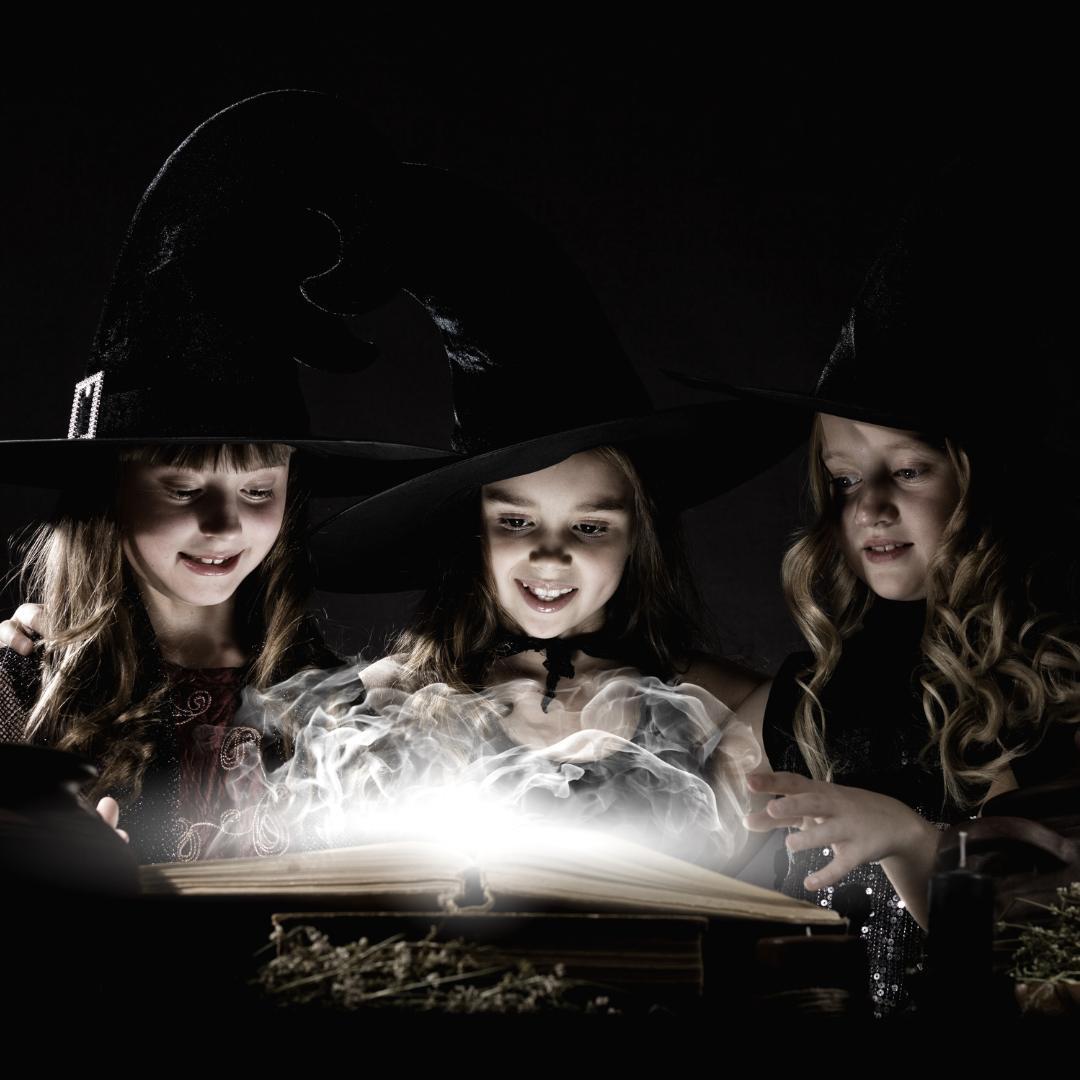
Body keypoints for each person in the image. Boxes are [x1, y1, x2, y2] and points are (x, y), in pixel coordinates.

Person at [296, 166, 803, 866]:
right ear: (473, 532)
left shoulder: (724, 707)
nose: (550, 556)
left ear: (638, 536)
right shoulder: (380, 706)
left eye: (590, 527)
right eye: (516, 522)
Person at [0, 91, 455, 863]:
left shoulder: (337, 702)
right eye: (182, 490)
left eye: (258, 492)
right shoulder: (19, 692)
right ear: (108, 496)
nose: (225, 526)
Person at [675, 154, 1080, 1014]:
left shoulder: (1053, 688)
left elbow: (1047, 955)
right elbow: (678, 796)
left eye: (909, 469)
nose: (870, 506)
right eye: (846, 478)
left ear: (984, 476)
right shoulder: (811, 697)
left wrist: (913, 842)